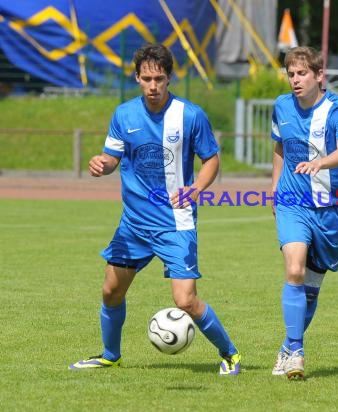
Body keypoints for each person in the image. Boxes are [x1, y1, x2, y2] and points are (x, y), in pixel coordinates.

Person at [68, 43, 240, 375]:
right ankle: (110, 355)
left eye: (159, 79)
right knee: (110, 290)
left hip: (175, 223)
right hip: (133, 224)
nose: (153, 86)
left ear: (169, 78)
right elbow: (112, 160)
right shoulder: (124, 114)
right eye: (146, 78)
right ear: (137, 78)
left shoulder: (190, 115)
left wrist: (196, 188)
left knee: (186, 301)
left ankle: (230, 354)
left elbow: (211, 159)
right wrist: (101, 164)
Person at [270, 46, 338, 380]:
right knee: (294, 270)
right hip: (292, 203)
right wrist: (275, 188)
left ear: (320, 76)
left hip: (330, 209)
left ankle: (286, 348)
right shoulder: (281, 106)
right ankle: (297, 352)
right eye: (290, 74)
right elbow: (280, 147)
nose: (295, 80)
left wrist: (321, 161)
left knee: (310, 288)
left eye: (302, 73)